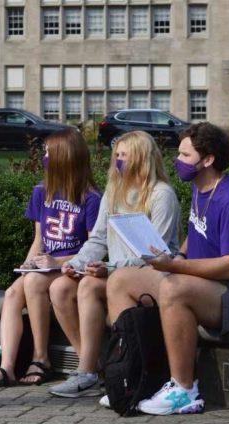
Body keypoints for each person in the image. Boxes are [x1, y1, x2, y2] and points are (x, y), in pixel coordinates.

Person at [106, 122, 229, 415]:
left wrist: (175, 267)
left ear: (207, 160)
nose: (177, 162)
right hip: (208, 284)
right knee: (120, 280)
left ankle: (184, 390)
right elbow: (198, 234)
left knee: (173, 287)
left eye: (185, 156)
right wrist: (176, 255)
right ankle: (134, 375)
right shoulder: (200, 188)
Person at [48, 131, 180, 398]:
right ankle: (93, 368)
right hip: (116, 271)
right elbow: (97, 238)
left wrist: (107, 268)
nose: (118, 161)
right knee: (61, 287)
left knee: (87, 286)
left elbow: (156, 254)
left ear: (141, 158)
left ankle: (90, 372)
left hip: (153, 275)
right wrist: (76, 262)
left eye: (124, 155)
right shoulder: (113, 190)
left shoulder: (161, 195)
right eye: (116, 155)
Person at [0, 129, 100, 387]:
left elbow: (95, 248)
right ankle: (7, 367)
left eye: (48, 153)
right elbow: (39, 240)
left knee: (32, 283)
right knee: (12, 294)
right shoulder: (41, 192)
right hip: (45, 267)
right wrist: (28, 264)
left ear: (64, 158)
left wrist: (57, 262)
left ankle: (41, 358)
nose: (44, 158)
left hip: (70, 267)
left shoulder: (90, 198)